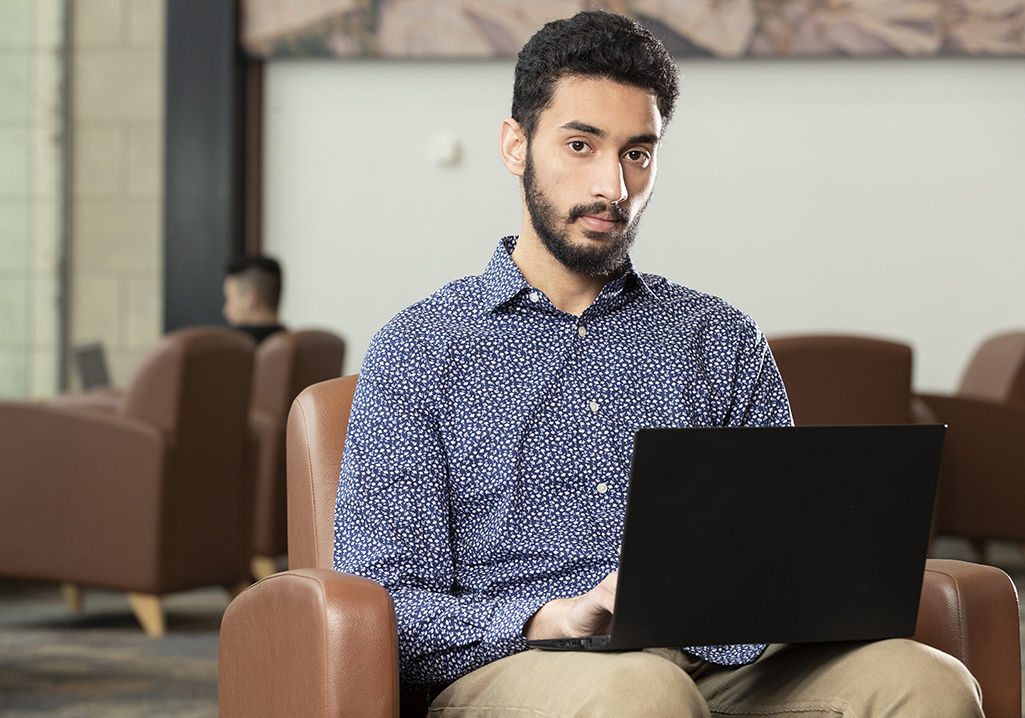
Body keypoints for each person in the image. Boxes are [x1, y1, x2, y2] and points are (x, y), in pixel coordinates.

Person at [333, 11, 982, 717]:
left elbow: (786, 555)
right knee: (640, 691)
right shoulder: (421, 349)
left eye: (637, 153)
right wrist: (546, 617)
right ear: (514, 145)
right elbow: (383, 601)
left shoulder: (718, 336)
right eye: (580, 145)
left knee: (930, 681)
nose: (612, 185)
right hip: (524, 661)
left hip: (722, 661)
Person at [222, 254, 286, 343]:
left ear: (250, 300)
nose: (225, 311)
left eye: (229, 300)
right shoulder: (299, 345)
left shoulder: (227, 349)